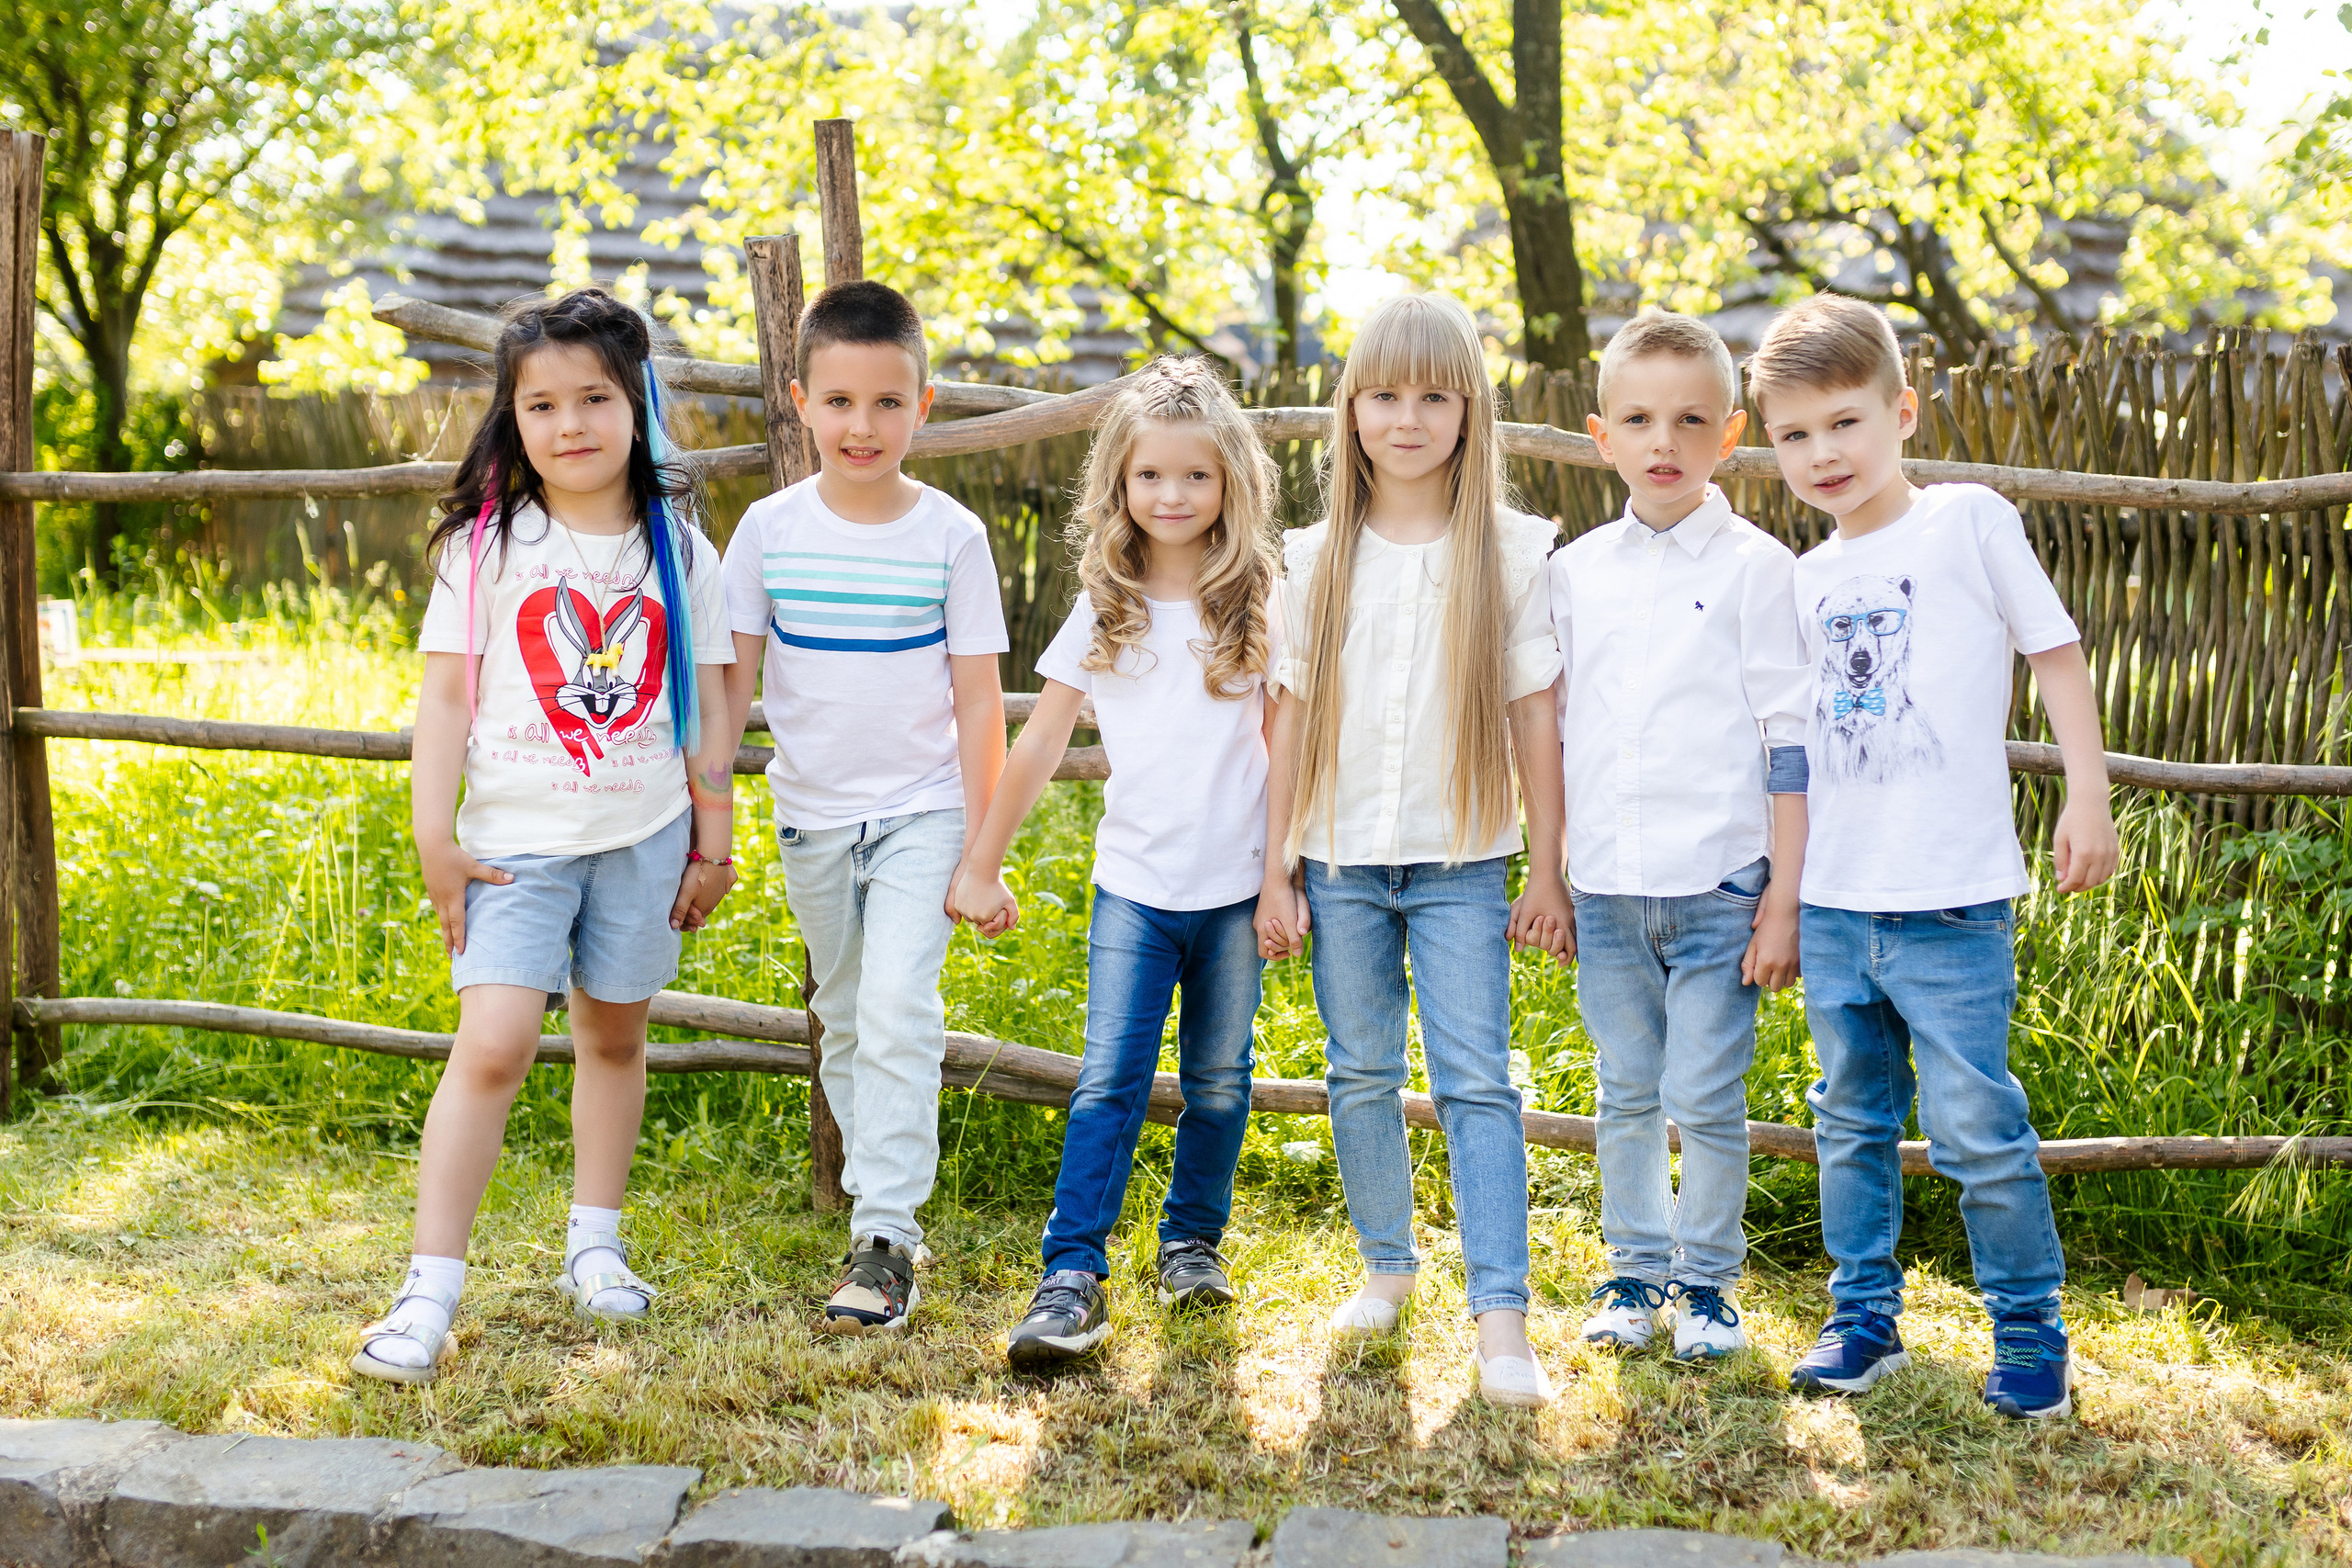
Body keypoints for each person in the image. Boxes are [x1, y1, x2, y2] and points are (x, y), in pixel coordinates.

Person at [353, 288, 740, 1385]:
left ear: (637, 405)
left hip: (644, 837)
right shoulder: (487, 550)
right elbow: (441, 705)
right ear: (511, 420)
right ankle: (430, 1286)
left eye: (594, 398)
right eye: (540, 405)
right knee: (494, 1046)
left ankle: (594, 1243)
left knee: (616, 1038)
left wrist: (712, 841)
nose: (569, 424)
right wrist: (435, 837)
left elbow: (709, 711)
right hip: (511, 843)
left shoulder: (681, 552)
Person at [1748, 294, 2120, 1419]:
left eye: (1845, 423)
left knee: (1974, 1127)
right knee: (1847, 1120)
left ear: (1901, 411)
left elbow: (2054, 651)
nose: (1823, 454)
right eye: (1794, 434)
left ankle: (2028, 1332)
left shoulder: (1966, 521)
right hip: (1837, 906)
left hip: (1953, 898)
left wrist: (2087, 795)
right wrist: (1788, 893)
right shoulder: (1804, 580)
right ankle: (1862, 1316)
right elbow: (1796, 752)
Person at [1256, 292, 1571, 1409]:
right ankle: (1387, 1265)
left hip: (1462, 861)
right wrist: (1275, 864)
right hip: (1337, 859)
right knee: (1358, 1074)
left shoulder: (1512, 552)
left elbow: (1536, 709)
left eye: (1434, 396)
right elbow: (1286, 716)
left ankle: (1501, 1325)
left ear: (1469, 412)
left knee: (1477, 1082)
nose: (1407, 418)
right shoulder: (1310, 557)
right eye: (1383, 396)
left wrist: (1548, 863)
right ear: (1348, 412)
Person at [949, 357, 1283, 1370]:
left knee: (1220, 1081)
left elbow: (1289, 745)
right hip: (1135, 889)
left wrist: (1285, 875)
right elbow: (1043, 741)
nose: (1172, 497)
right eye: (1150, 478)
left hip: (1235, 893)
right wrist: (981, 862)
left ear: (1231, 485)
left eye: (1195, 477)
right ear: (1119, 486)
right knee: (1109, 1081)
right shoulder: (1109, 608)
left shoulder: (1261, 602)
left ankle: (1191, 1242)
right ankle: (1070, 1270)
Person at [714, 279, 1008, 1335]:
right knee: (842, 1020)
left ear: (922, 406)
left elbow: (979, 700)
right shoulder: (767, 530)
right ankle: (882, 1207)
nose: (862, 426)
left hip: (925, 812)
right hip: (813, 817)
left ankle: (886, 1235)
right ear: (800, 401)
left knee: (894, 1010)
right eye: (839, 402)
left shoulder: (950, 536)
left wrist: (983, 847)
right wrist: (707, 808)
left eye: (887, 403)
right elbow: (733, 682)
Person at [1553, 311, 1811, 1362]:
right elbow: (1555, 725)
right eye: (1638, 419)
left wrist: (1782, 898)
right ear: (1598, 434)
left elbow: (1786, 740)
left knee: (1704, 1096)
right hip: (1607, 890)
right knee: (1623, 1092)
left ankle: (1706, 1283)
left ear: (1730, 435)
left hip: (1720, 889)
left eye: (1689, 420)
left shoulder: (1760, 569)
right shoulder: (1574, 573)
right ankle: (1631, 1272)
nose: (1664, 441)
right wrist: (1551, 871)